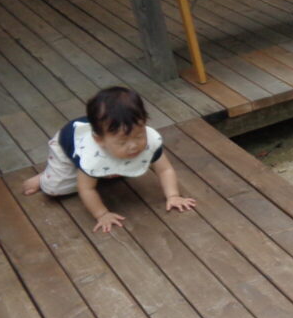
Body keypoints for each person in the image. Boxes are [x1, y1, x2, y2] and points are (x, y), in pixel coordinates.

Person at [22, 87, 196, 232]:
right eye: (123, 142)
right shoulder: (92, 155)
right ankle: (44, 177)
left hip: (107, 155)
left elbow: (165, 169)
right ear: (99, 140)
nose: (133, 146)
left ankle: (107, 168)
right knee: (55, 189)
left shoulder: (148, 141)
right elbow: (86, 189)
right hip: (68, 146)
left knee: (114, 168)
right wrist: (102, 214)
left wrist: (173, 195)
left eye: (139, 136)